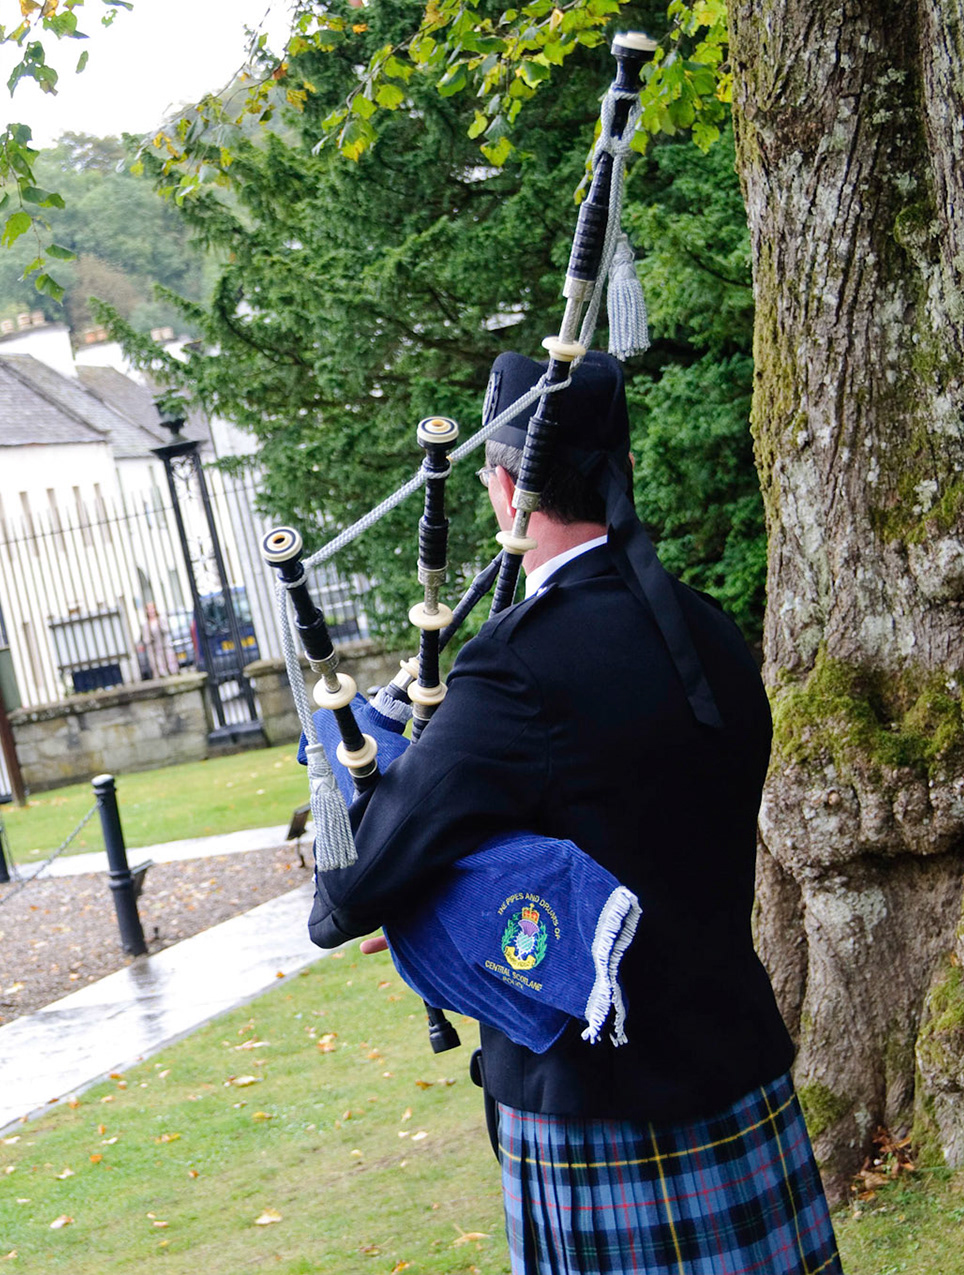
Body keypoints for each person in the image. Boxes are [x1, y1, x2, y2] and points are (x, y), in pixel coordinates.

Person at [308, 351, 839, 1273]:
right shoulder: (711, 630)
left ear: (505, 487)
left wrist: (382, 778)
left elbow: (351, 886)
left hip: (596, 1110)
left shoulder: (515, 666)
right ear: (619, 469)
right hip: (739, 1069)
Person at [135, 601, 175, 681]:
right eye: (149, 609)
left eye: (152, 609)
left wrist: (160, 626)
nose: (151, 611)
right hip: (153, 648)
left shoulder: (161, 620)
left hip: (163, 645)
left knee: (168, 661)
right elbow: (145, 639)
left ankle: (171, 674)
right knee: (156, 664)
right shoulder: (145, 624)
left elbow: (167, 630)